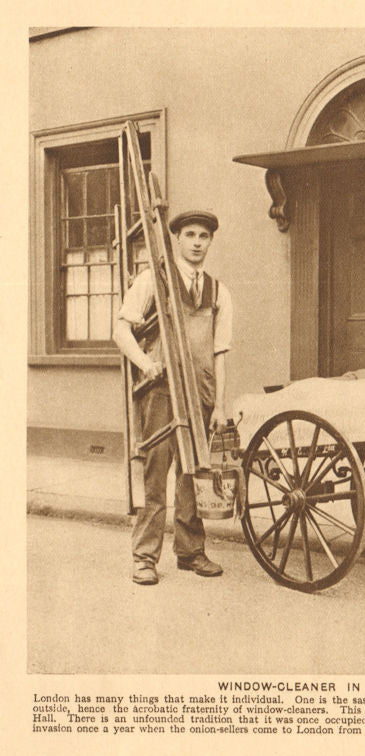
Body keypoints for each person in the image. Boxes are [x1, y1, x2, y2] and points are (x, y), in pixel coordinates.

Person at [113, 210, 233, 585]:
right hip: (162, 392)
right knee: (156, 474)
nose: (197, 242)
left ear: (210, 242)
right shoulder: (155, 280)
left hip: (201, 393)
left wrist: (221, 405)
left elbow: (220, 352)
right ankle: (145, 557)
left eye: (204, 236)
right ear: (177, 239)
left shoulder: (218, 290)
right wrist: (146, 363)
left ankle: (191, 552)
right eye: (190, 235)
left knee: (193, 473)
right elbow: (120, 329)